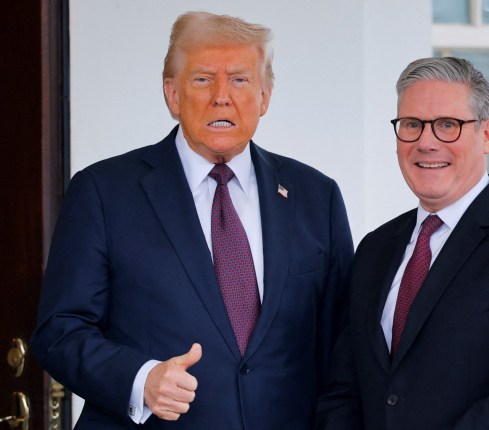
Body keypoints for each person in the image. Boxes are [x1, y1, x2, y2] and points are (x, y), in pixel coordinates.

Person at [31, 11, 354, 429]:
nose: (222, 96)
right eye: (202, 79)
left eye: (240, 79)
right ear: (173, 94)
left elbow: (342, 347)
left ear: (265, 96)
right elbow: (60, 331)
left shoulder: (316, 195)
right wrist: (140, 379)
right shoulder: (103, 191)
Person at [316, 57, 489, 429]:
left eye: (448, 125)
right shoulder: (375, 249)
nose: (426, 142)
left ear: (488, 135)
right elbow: (345, 389)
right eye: (411, 125)